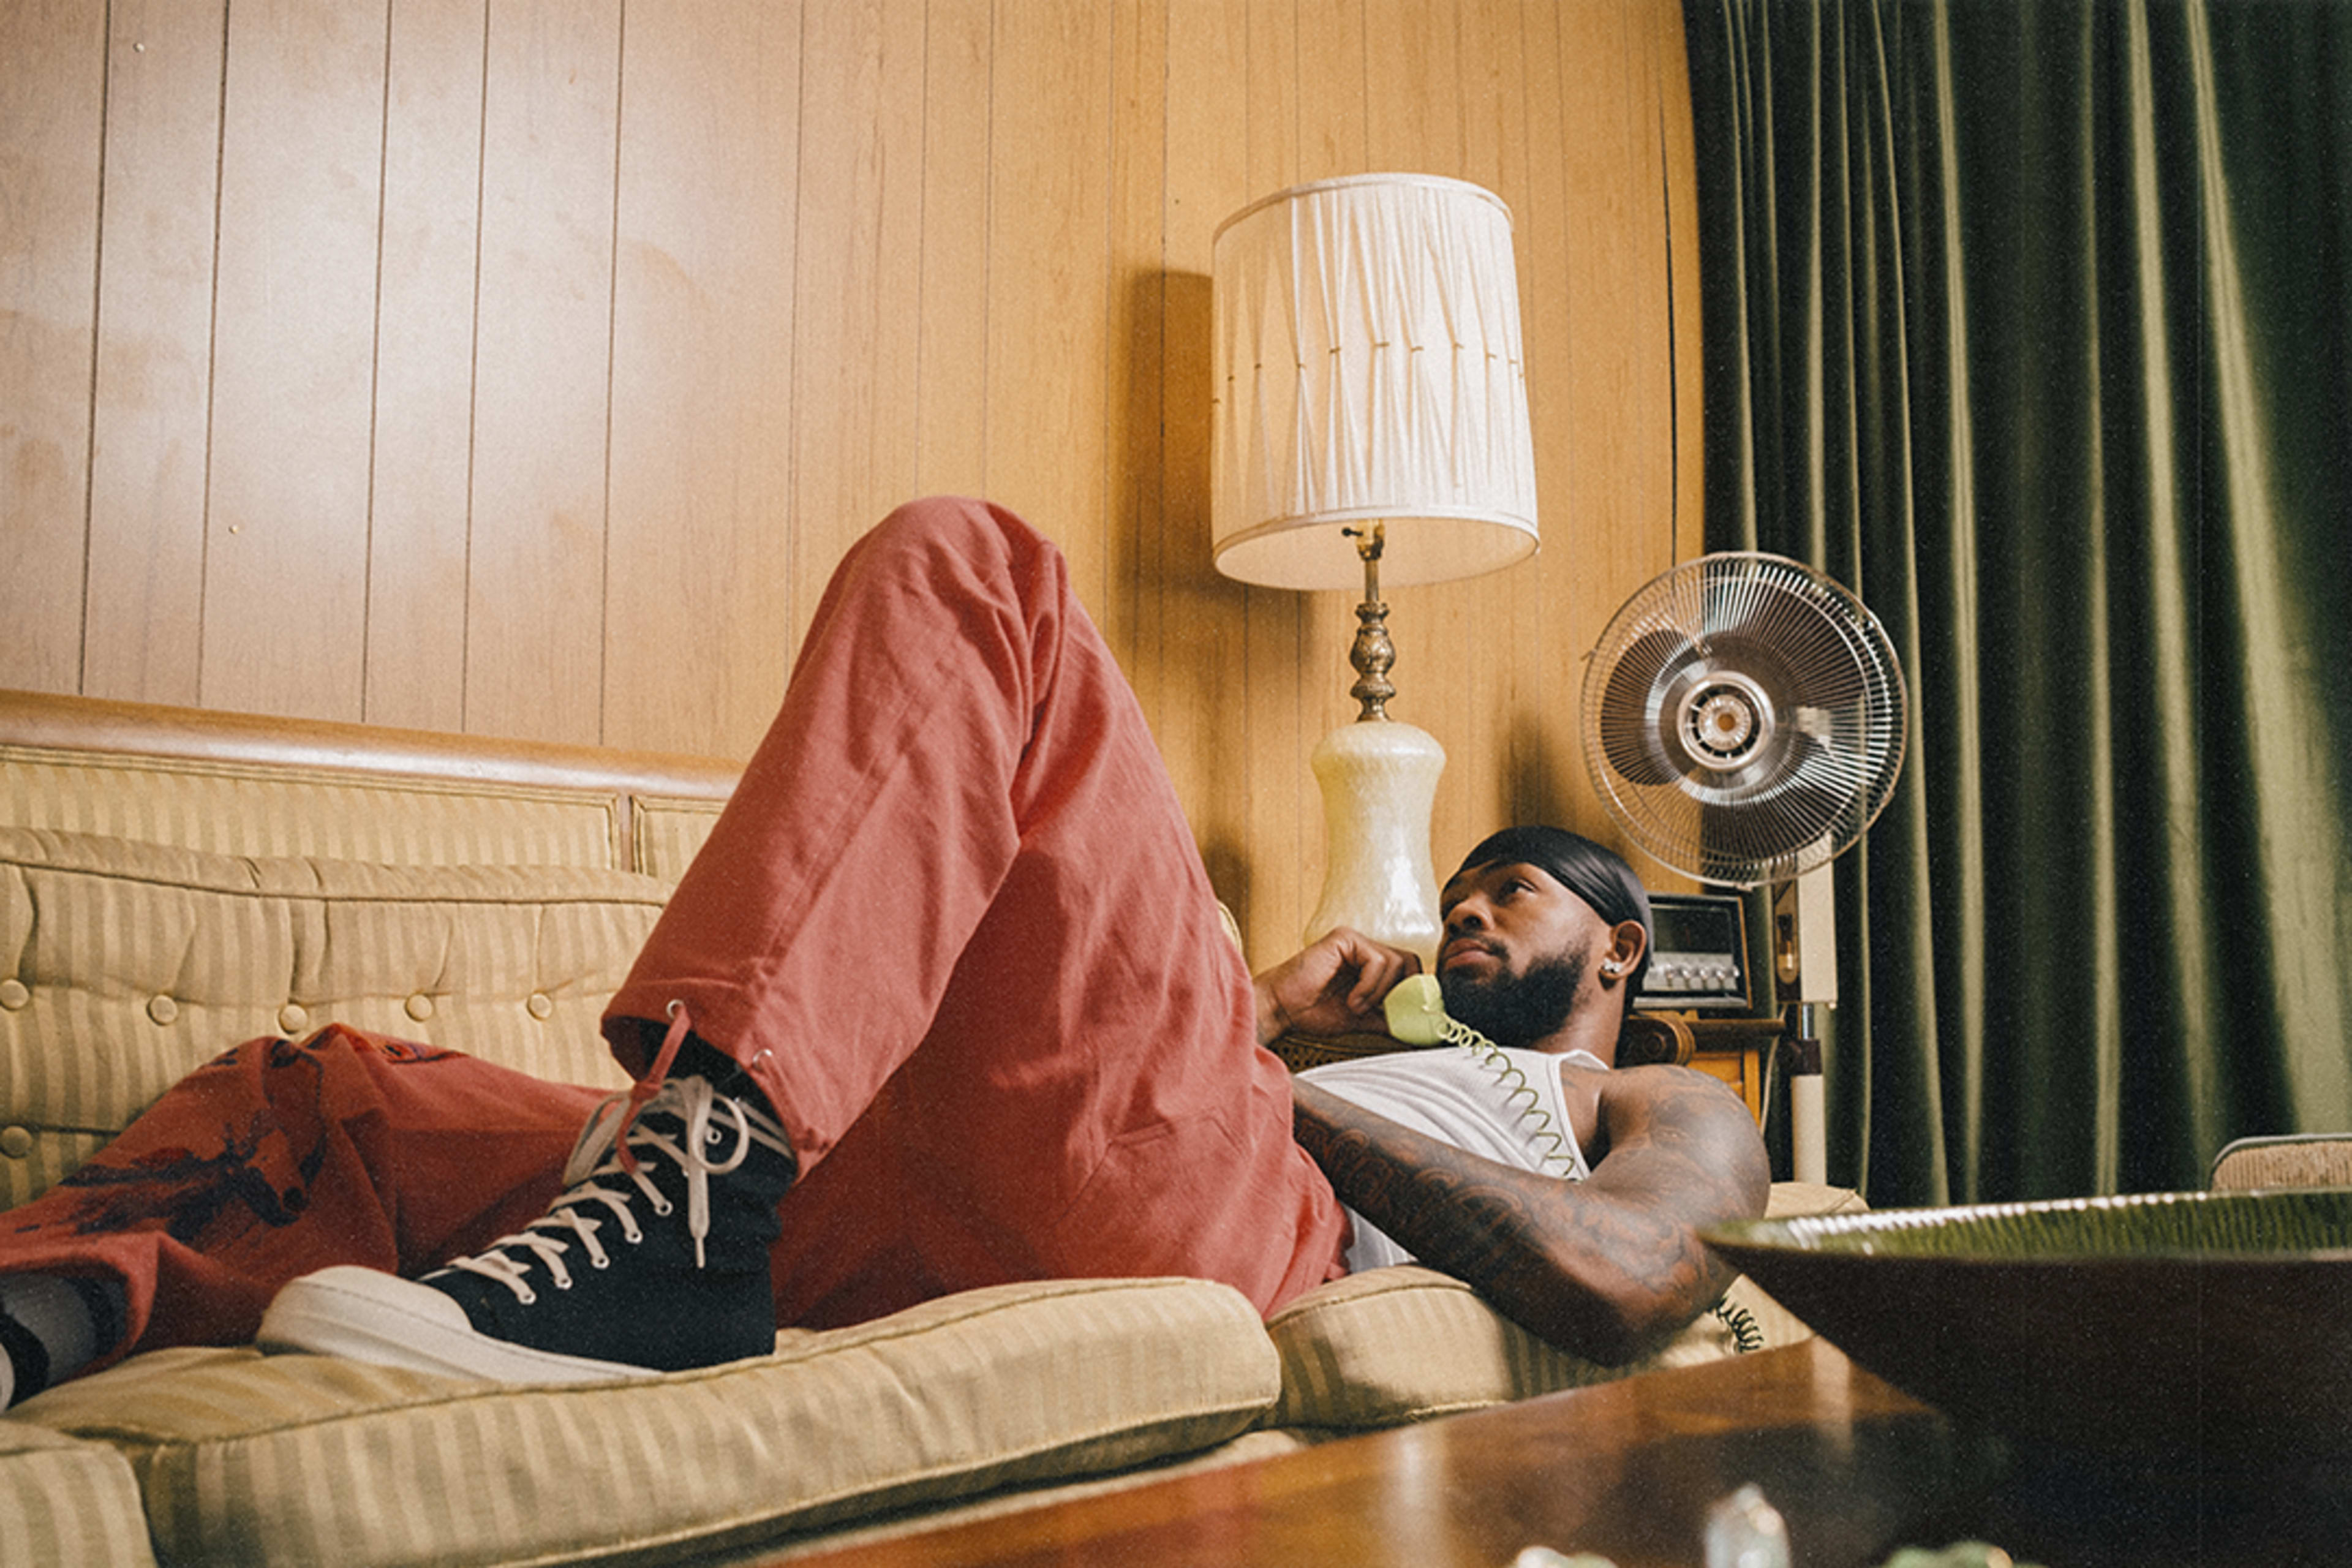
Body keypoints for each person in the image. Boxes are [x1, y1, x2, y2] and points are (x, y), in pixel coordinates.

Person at [0, 497, 1766, 1408]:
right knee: (340, 1088)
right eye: (1453, 898)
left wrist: (1280, 1092)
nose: (1462, 921)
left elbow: (1628, 1279)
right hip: (925, 1200)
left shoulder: (1654, 1104)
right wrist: (1253, 1014)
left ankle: (689, 1204)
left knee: (979, 565)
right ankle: (52, 1313)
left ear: (1620, 949)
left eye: (1509, 900)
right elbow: (1071, 1091)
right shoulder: (1312, 1040)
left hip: (1244, 1222)